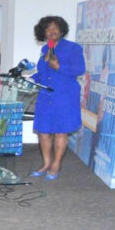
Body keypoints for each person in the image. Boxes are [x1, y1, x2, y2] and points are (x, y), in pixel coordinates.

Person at [29, 15, 86, 180]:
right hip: (46, 96)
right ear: (43, 33)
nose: (52, 31)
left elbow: (79, 69)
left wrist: (59, 66)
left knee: (61, 132)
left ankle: (56, 164)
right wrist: (31, 80)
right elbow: (43, 74)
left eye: (55, 28)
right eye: (48, 28)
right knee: (43, 131)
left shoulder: (73, 48)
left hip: (65, 96)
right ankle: (46, 163)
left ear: (62, 30)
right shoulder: (45, 49)